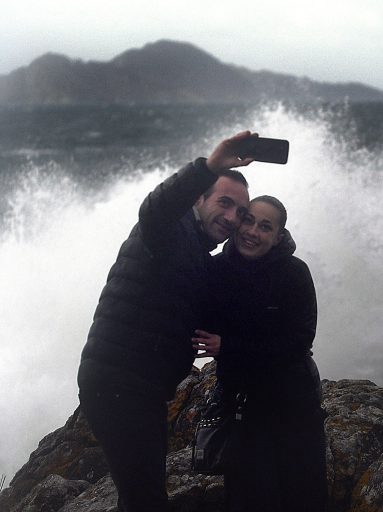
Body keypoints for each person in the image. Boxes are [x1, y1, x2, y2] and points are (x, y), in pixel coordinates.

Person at [77, 131, 258, 512]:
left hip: (141, 390)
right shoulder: (169, 230)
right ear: (198, 198)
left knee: (142, 496)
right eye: (224, 203)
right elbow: (155, 207)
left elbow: (223, 314)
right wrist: (208, 166)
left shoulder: (198, 258)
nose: (231, 218)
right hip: (118, 385)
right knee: (147, 500)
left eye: (240, 214)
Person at [193, 196, 327, 511]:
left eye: (265, 227)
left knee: (304, 497)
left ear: (278, 236)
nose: (252, 231)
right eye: (248, 221)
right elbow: (190, 315)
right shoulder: (214, 269)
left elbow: (299, 341)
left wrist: (229, 347)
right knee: (249, 497)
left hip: (294, 405)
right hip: (241, 407)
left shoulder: (294, 273)